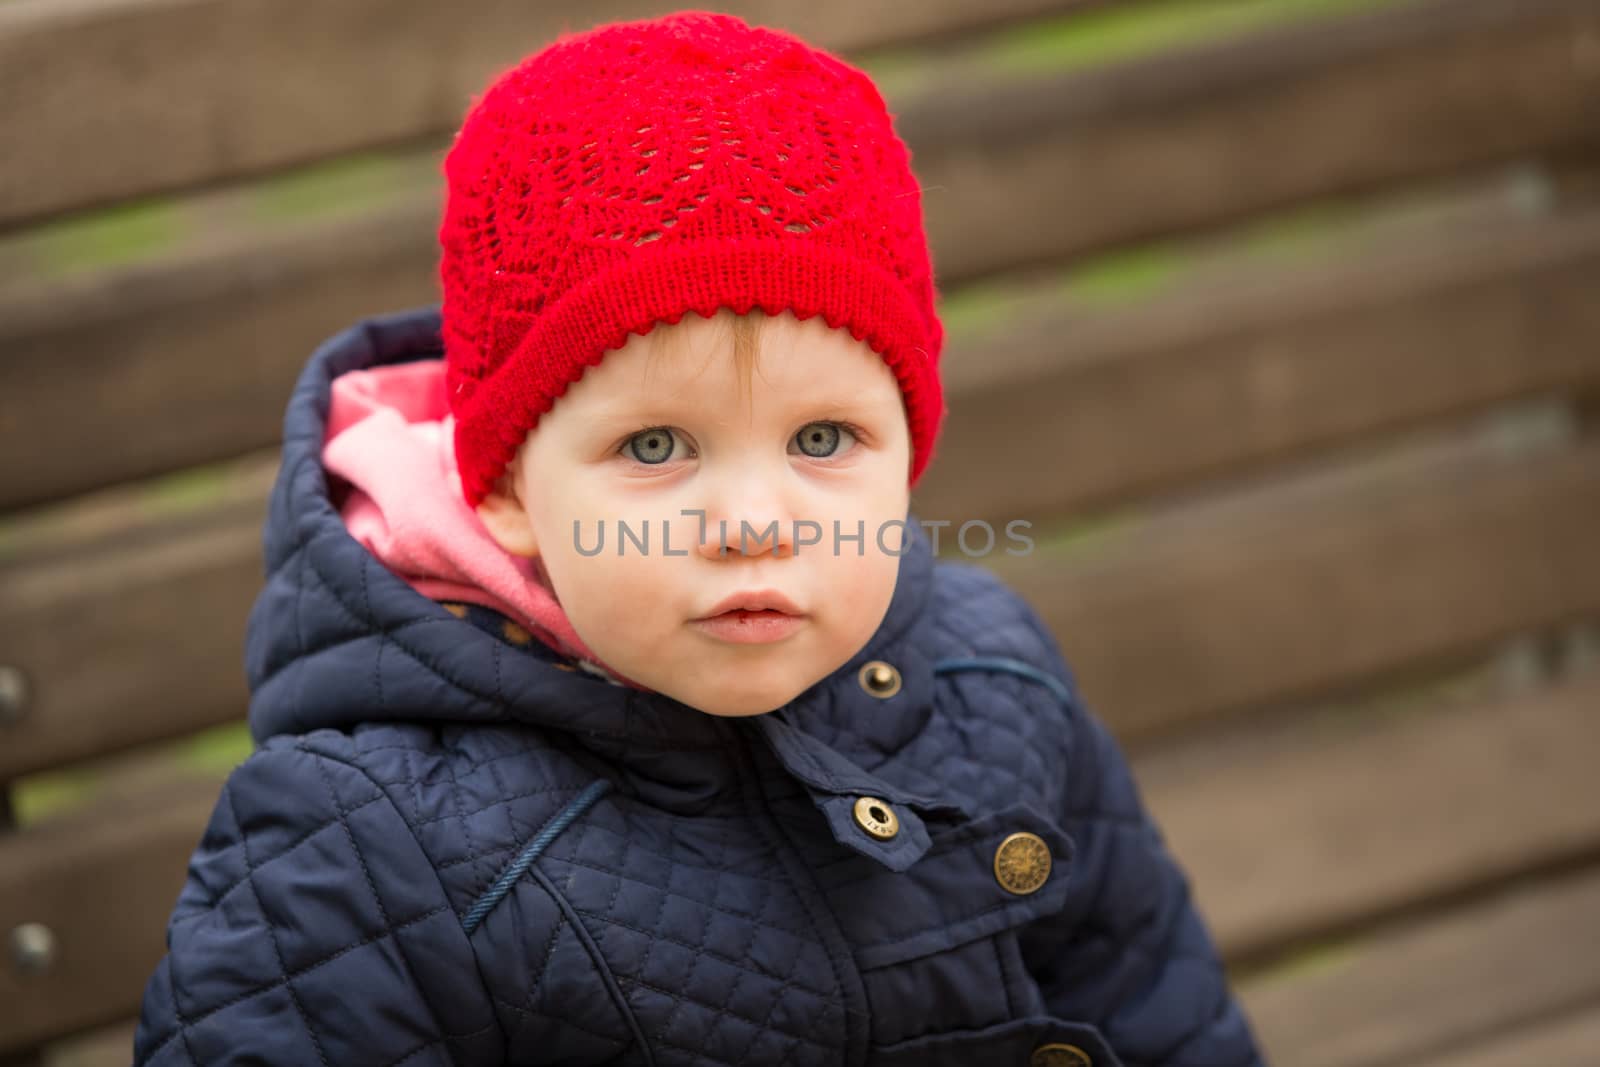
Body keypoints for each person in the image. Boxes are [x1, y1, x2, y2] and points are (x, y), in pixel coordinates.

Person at [132, 10, 1265, 1065]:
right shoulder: (359, 844)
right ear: (508, 485)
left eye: (824, 435)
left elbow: (1159, 1006)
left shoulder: (992, 677)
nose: (754, 521)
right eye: (656, 447)